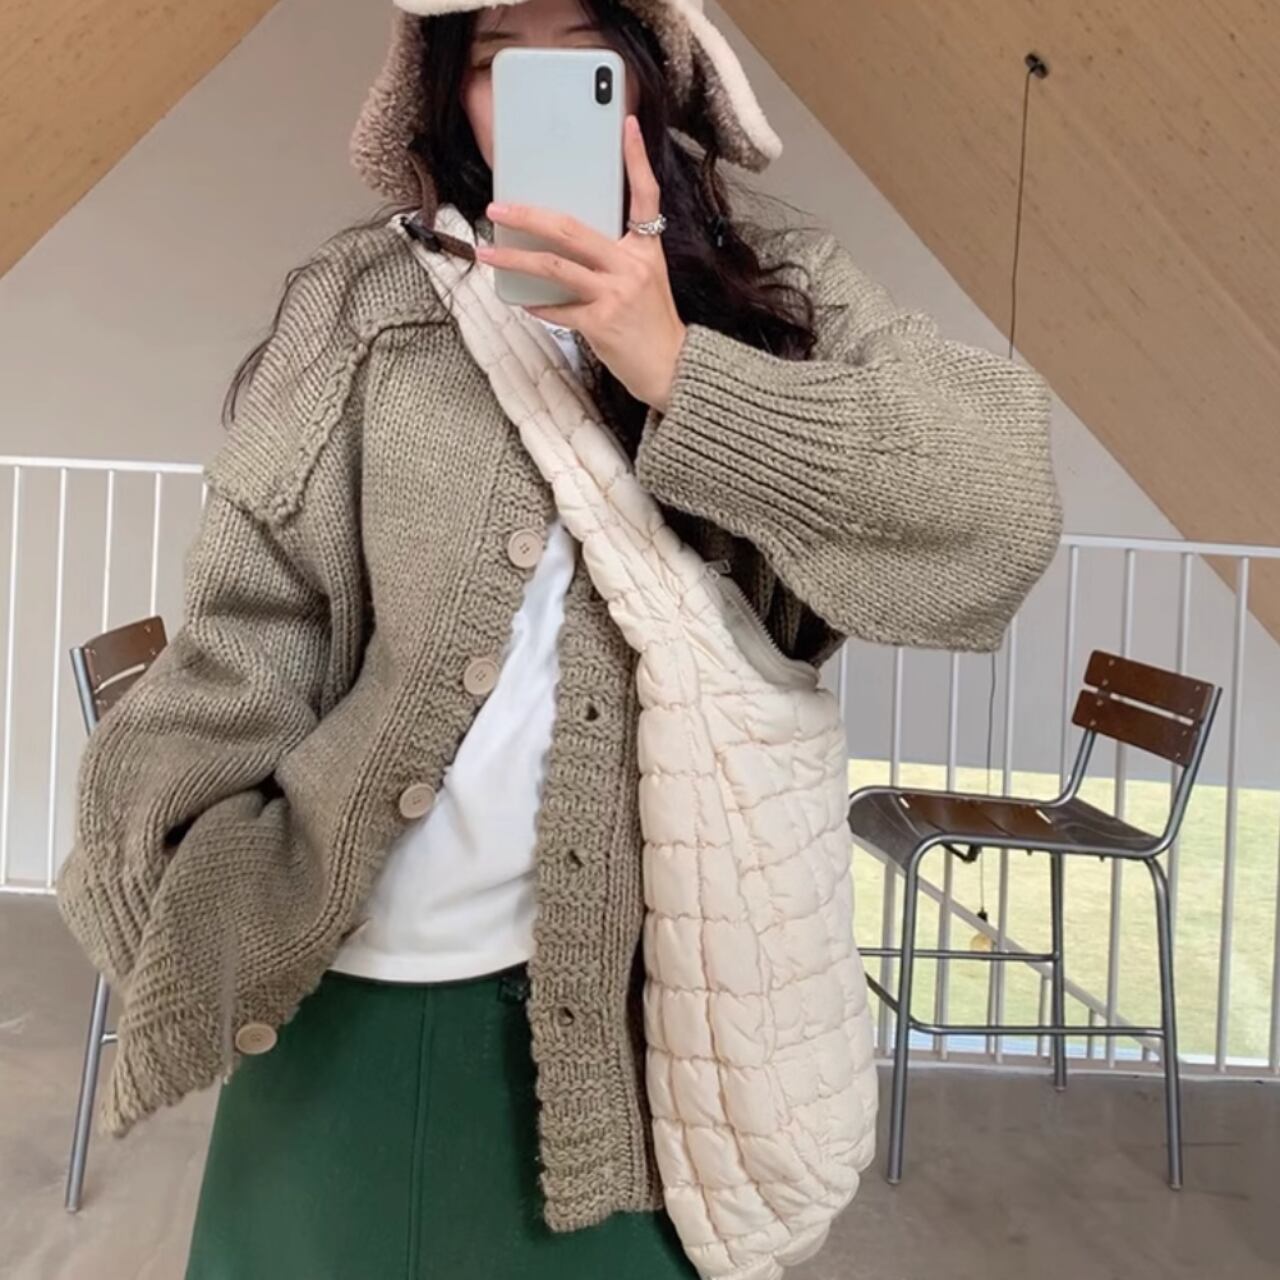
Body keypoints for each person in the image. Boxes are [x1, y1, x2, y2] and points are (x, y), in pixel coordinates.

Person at [53, 1, 1065, 1276]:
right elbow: (252, 624)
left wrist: (676, 366)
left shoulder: (776, 281)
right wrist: (170, 869)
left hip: (634, 1034)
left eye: (584, 49)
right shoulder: (366, 299)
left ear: (649, 71)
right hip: (337, 995)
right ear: (445, 92)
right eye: (494, 60)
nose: (538, 86)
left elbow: (1000, 510)